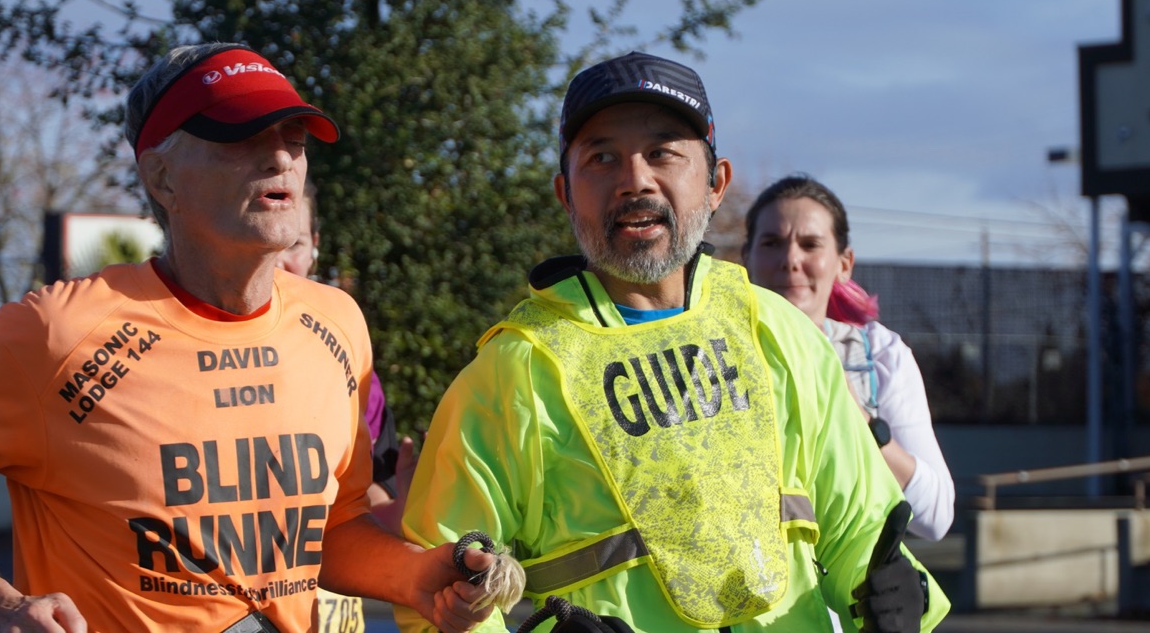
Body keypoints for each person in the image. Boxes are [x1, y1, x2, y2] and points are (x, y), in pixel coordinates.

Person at [0, 42, 493, 633]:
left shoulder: (336, 321)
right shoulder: (57, 333)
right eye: (241, 137)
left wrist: (417, 577)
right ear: (162, 179)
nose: (280, 157)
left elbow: (331, 530)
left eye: (293, 137)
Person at [396, 52, 949, 632]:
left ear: (716, 184)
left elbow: (865, 531)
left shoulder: (778, 335)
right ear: (565, 193)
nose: (635, 179)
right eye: (602, 157)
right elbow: (437, 590)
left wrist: (897, 609)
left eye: (663, 152)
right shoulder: (515, 373)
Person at [740, 175, 955, 542]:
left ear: (844, 263)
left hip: (845, 598)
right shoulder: (708, 352)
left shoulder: (879, 356)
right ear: (746, 258)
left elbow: (935, 518)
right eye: (772, 243)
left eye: (810, 244)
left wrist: (864, 425)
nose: (790, 259)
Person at [276, 180, 421, 632]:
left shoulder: (344, 348)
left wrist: (400, 517)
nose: (280, 262)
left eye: (294, 244)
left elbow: (364, 497)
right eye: (269, 243)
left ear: (316, 245)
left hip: (336, 614)